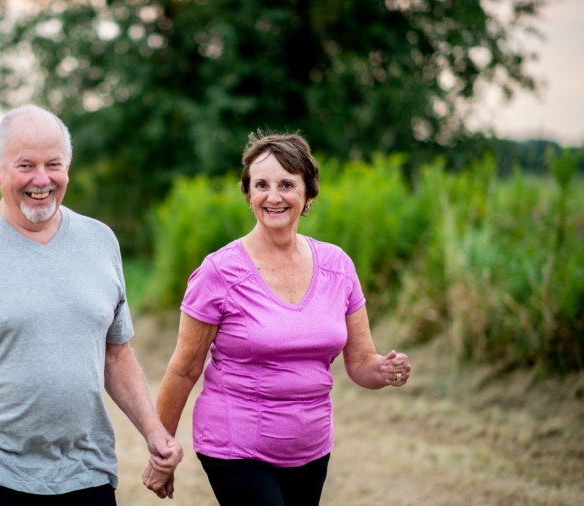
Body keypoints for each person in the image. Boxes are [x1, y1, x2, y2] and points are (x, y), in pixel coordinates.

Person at [0, 104, 183, 506]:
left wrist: (155, 434)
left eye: (53, 164)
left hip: (86, 470)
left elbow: (116, 355)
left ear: (68, 165)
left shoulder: (101, 242)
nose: (41, 180)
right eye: (26, 166)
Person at [141, 131, 412, 505]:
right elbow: (184, 370)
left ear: (308, 194)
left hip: (312, 448)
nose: (273, 196)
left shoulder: (338, 267)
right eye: (261, 185)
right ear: (248, 194)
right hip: (235, 448)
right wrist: (162, 452)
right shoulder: (219, 273)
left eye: (286, 184)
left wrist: (384, 370)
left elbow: (362, 362)